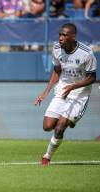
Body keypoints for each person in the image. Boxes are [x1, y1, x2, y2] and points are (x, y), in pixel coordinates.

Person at [34, 23, 97, 166]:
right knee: (47, 126)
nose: (60, 38)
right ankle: (69, 120)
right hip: (62, 90)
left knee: (60, 125)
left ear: (73, 36)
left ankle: (47, 156)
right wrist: (45, 93)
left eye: (64, 35)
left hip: (79, 94)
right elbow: (57, 71)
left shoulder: (86, 53)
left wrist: (74, 86)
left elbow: (92, 78)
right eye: (59, 35)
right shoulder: (56, 49)